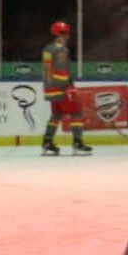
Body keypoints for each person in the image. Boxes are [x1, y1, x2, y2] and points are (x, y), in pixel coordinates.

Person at [41, 20, 90, 155]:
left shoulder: (47, 48)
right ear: (62, 34)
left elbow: (47, 70)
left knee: (56, 115)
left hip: (50, 89)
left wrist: (51, 87)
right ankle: (77, 142)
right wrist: (68, 86)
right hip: (60, 89)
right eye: (66, 33)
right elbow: (62, 72)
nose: (68, 36)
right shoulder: (62, 50)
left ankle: (47, 142)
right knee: (76, 112)